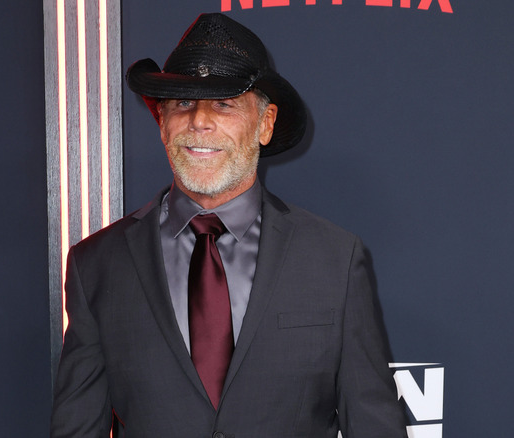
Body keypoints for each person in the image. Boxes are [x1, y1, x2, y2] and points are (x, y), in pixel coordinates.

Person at [51, 13, 407, 438]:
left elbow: (375, 427)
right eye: (182, 103)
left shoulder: (335, 259)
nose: (200, 121)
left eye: (224, 103)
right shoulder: (96, 264)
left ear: (265, 124)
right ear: (162, 124)